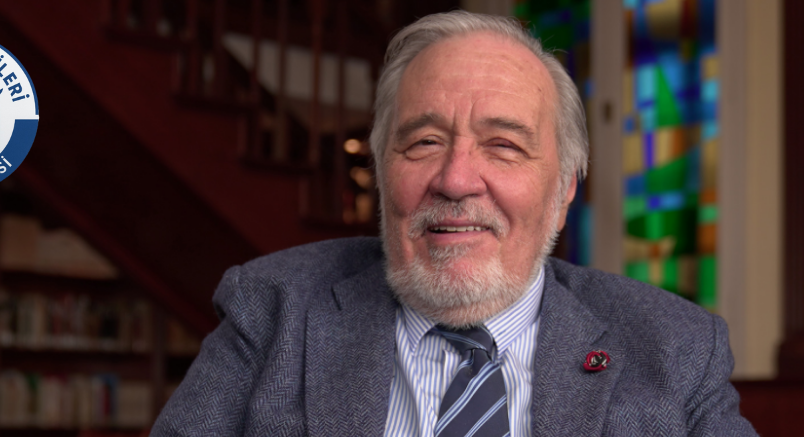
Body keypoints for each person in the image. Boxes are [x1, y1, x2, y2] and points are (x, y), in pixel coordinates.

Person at [151, 11, 756, 437]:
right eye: (424, 141)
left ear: (564, 189)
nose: (456, 179)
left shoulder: (674, 347)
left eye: (504, 146)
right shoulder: (270, 310)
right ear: (383, 171)